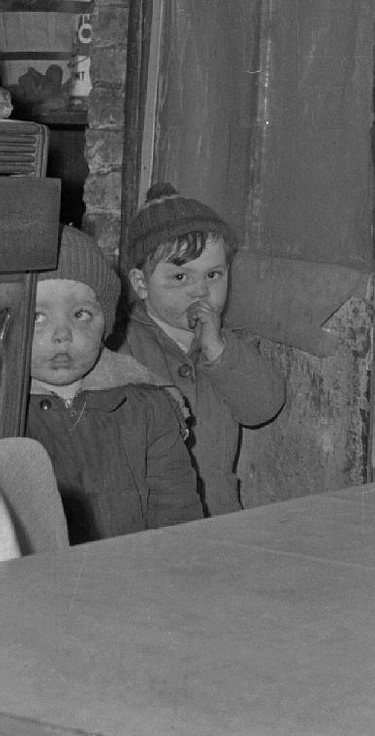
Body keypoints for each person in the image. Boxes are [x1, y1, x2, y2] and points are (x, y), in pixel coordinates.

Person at [27, 224, 204, 544]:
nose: (62, 334)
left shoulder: (148, 404)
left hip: (134, 577)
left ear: (105, 324)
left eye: (80, 314)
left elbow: (178, 512)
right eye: (38, 317)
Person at [119, 183, 286, 518]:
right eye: (180, 276)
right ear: (141, 285)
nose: (201, 291)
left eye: (213, 274)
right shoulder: (122, 346)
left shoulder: (223, 344)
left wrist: (218, 351)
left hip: (217, 513)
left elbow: (263, 407)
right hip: (148, 522)